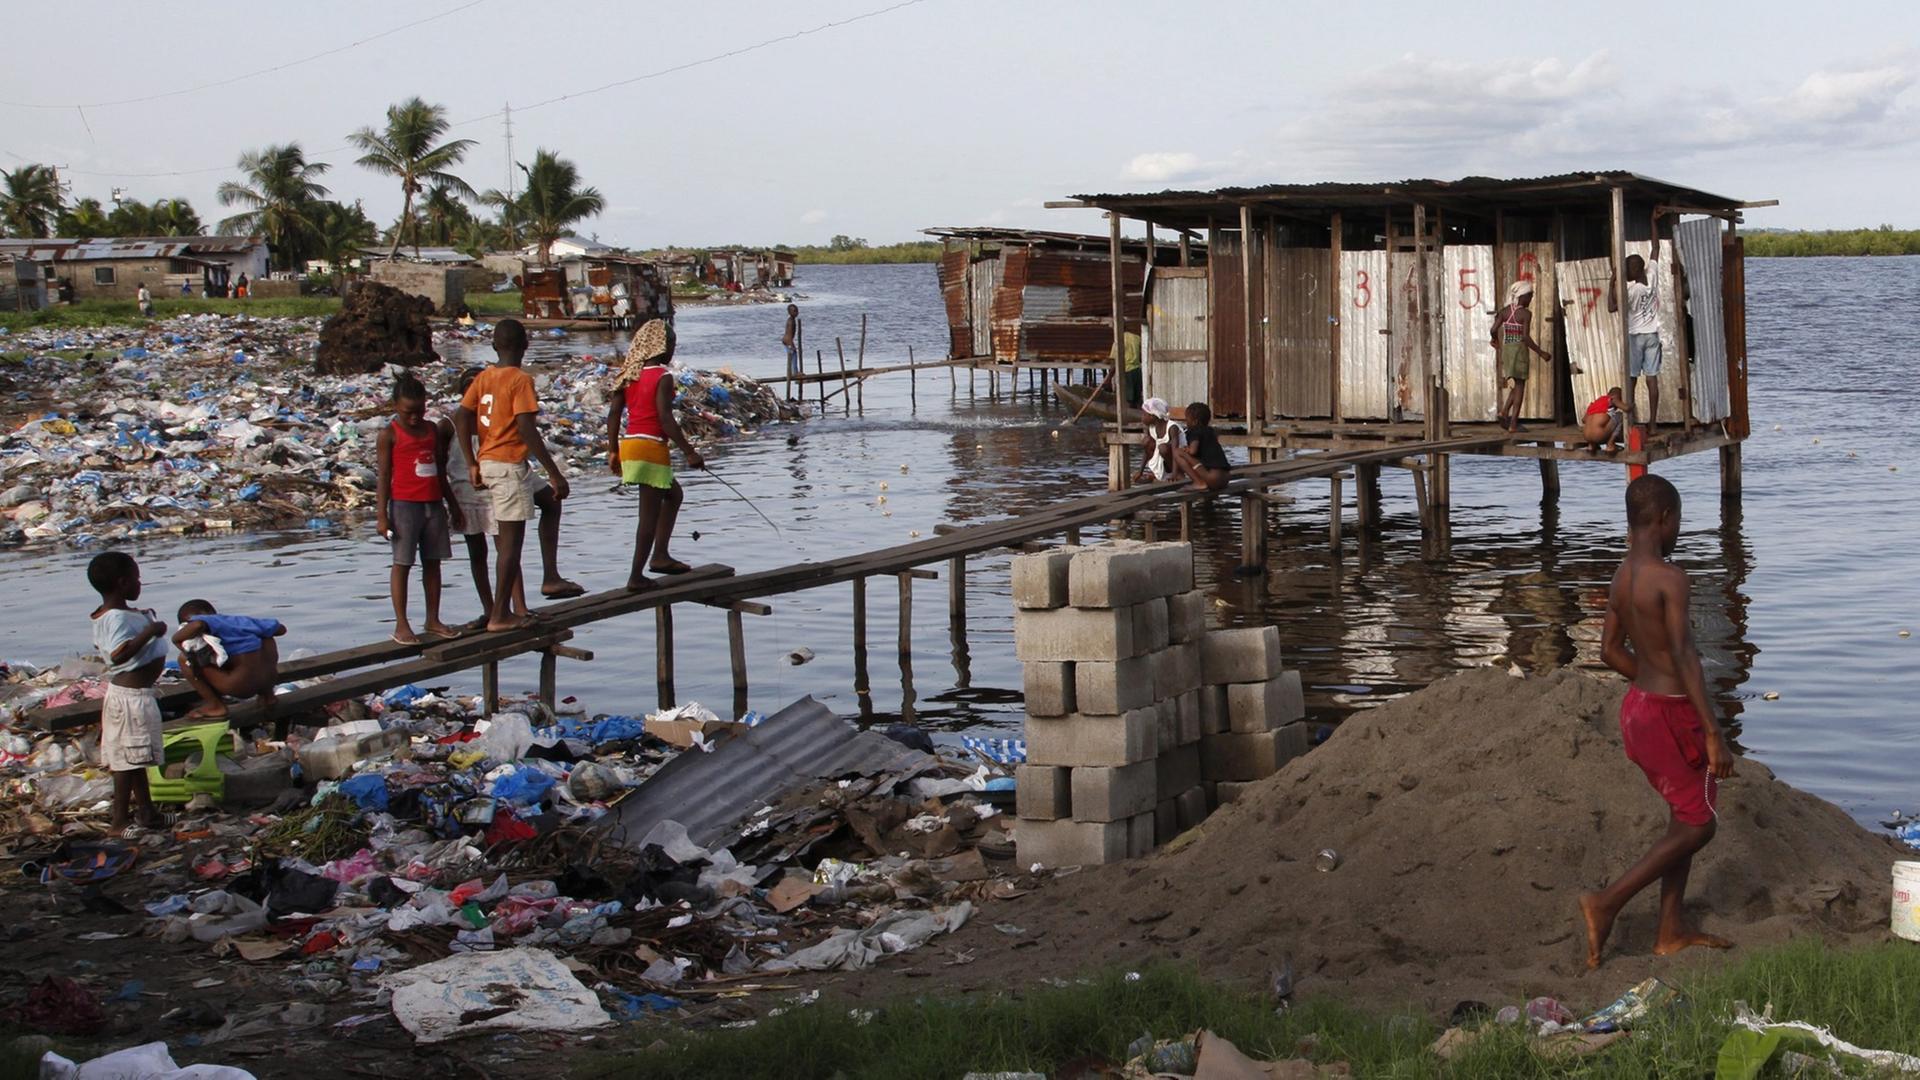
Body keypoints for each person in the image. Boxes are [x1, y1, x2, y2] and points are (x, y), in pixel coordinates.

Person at [1580, 474, 1736, 969]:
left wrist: (1647, 680)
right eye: (1679, 520)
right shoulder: (1670, 578)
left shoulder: (1622, 575)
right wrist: (1713, 731)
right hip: (1669, 714)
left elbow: (1608, 650)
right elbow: (1686, 654)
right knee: (1701, 824)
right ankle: (1606, 902)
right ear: (1665, 519)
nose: (1678, 529)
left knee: (1682, 816)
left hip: (1639, 709)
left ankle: (1670, 930)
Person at [445, 366, 585, 630]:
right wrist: (468, 469)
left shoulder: (493, 414)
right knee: (491, 550)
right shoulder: (453, 422)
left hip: (498, 474)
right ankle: (495, 611)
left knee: (510, 544)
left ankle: (519, 605)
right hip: (477, 486)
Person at [606, 319, 706, 592]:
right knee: (648, 516)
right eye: (671, 344)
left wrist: (613, 449)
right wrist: (689, 452)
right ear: (661, 347)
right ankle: (636, 576)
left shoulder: (629, 374)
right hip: (650, 447)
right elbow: (665, 418)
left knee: (673, 495)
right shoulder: (662, 376)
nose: (672, 349)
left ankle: (660, 555)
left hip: (631, 445)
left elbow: (614, 413)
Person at [377, 373, 463, 645]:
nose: (414, 417)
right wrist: (382, 515)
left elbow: (439, 470)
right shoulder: (389, 434)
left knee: (433, 563)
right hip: (404, 506)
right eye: (407, 412)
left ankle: (432, 619)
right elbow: (383, 477)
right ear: (395, 407)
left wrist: (453, 505)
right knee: (402, 564)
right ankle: (402, 624)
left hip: (433, 504)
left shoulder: (431, 431)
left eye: (419, 411)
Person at [86, 552, 166, 834]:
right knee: (126, 763)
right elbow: (118, 655)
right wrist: (151, 631)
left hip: (138, 696)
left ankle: (147, 812)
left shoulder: (119, 614)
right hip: (130, 700)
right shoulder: (115, 618)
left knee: (137, 757)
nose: (139, 583)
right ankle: (119, 822)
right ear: (123, 583)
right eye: (136, 578)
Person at [171, 600, 286, 722]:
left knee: (183, 659)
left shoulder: (206, 620)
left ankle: (216, 706)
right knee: (266, 636)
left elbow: (197, 625)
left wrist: (176, 639)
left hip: (240, 686)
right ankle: (268, 696)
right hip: (269, 679)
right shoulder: (243, 622)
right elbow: (281, 629)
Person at [1608, 231, 1670, 430]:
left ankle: (1630, 420)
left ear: (1632, 272)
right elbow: (1656, 249)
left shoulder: (1631, 292)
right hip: (1652, 335)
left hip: (1635, 337)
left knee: (1632, 379)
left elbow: (1611, 307)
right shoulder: (1651, 277)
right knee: (1651, 379)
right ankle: (1652, 423)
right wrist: (1654, 222)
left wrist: (1612, 283)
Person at [1491, 281, 1551, 433]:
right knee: (1520, 386)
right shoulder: (1525, 314)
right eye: (1530, 296)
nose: (1531, 299)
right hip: (1519, 350)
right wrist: (1541, 352)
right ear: (1523, 296)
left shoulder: (1504, 311)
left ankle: (1504, 412)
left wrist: (1495, 339)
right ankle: (1513, 424)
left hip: (1507, 350)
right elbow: (1525, 337)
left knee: (1516, 383)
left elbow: (1493, 329)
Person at [1171, 401, 1230, 491]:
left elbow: (1193, 451)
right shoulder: (1211, 431)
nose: (1186, 422)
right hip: (1225, 479)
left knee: (1177, 452)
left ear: (1195, 422)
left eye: (1187, 419)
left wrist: (1187, 449)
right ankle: (1201, 481)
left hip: (1213, 479)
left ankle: (1199, 483)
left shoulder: (1194, 431)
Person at [1135, 397, 1185, 484]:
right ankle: (1159, 474)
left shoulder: (1172, 427)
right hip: (1164, 459)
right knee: (1146, 441)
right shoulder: (1151, 427)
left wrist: (1175, 473)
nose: (1141, 417)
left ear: (1152, 416)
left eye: (1144, 414)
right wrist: (1140, 471)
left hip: (1180, 460)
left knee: (1163, 448)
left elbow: (1176, 451)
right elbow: (1147, 452)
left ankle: (1178, 474)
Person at [1583, 387, 1627, 454]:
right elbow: (1626, 408)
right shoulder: (1613, 399)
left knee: (1597, 424)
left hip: (1586, 436)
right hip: (1599, 436)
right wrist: (1632, 405)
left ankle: (1591, 445)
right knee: (1620, 415)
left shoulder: (1595, 403)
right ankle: (1610, 445)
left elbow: (1583, 420)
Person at [1113, 322, 1143, 408]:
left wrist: (1110, 376)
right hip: (1137, 369)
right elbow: (1142, 353)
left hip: (1127, 370)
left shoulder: (1118, 339)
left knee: (1128, 397)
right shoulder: (1136, 337)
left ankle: (1129, 413)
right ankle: (1136, 412)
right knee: (1137, 395)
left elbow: (1114, 359)